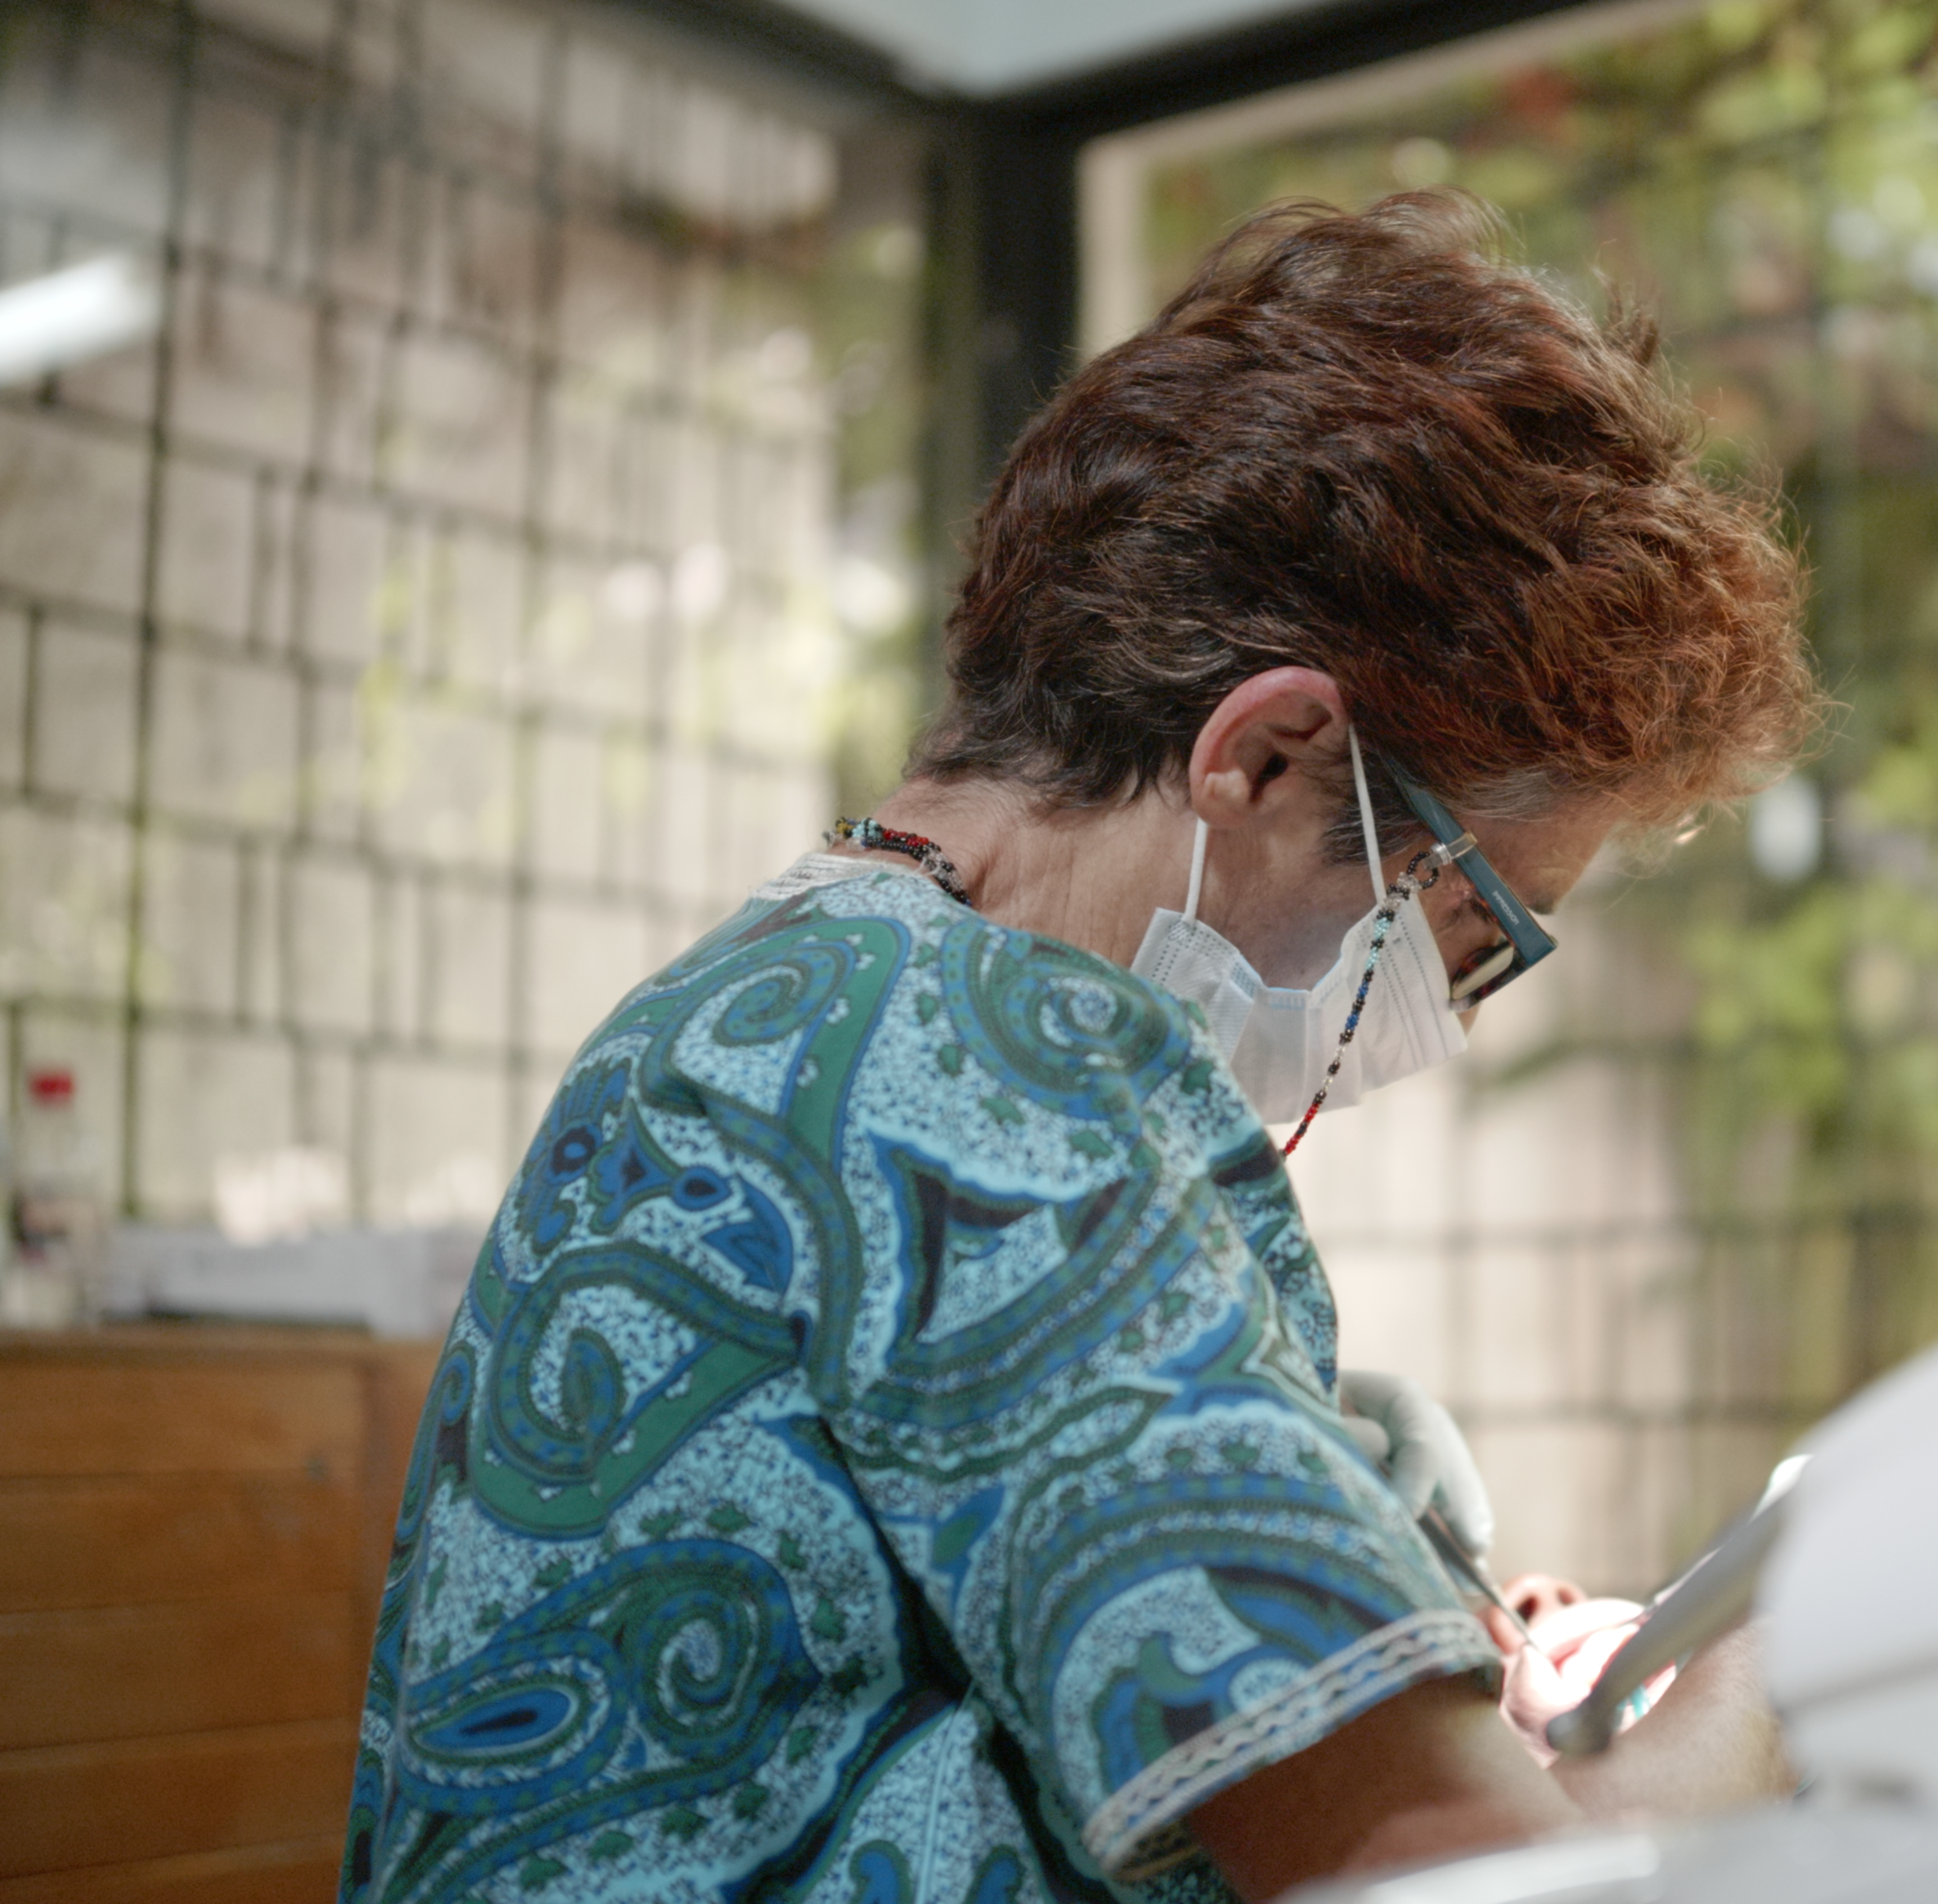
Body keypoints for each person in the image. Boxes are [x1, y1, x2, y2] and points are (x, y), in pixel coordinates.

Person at [345, 191, 1816, 1904]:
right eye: (1471, 926)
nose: (1436, 1014)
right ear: (1265, 757)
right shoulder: (1009, 1076)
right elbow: (1481, 1890)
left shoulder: (773, 998)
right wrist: (1791, 1660)